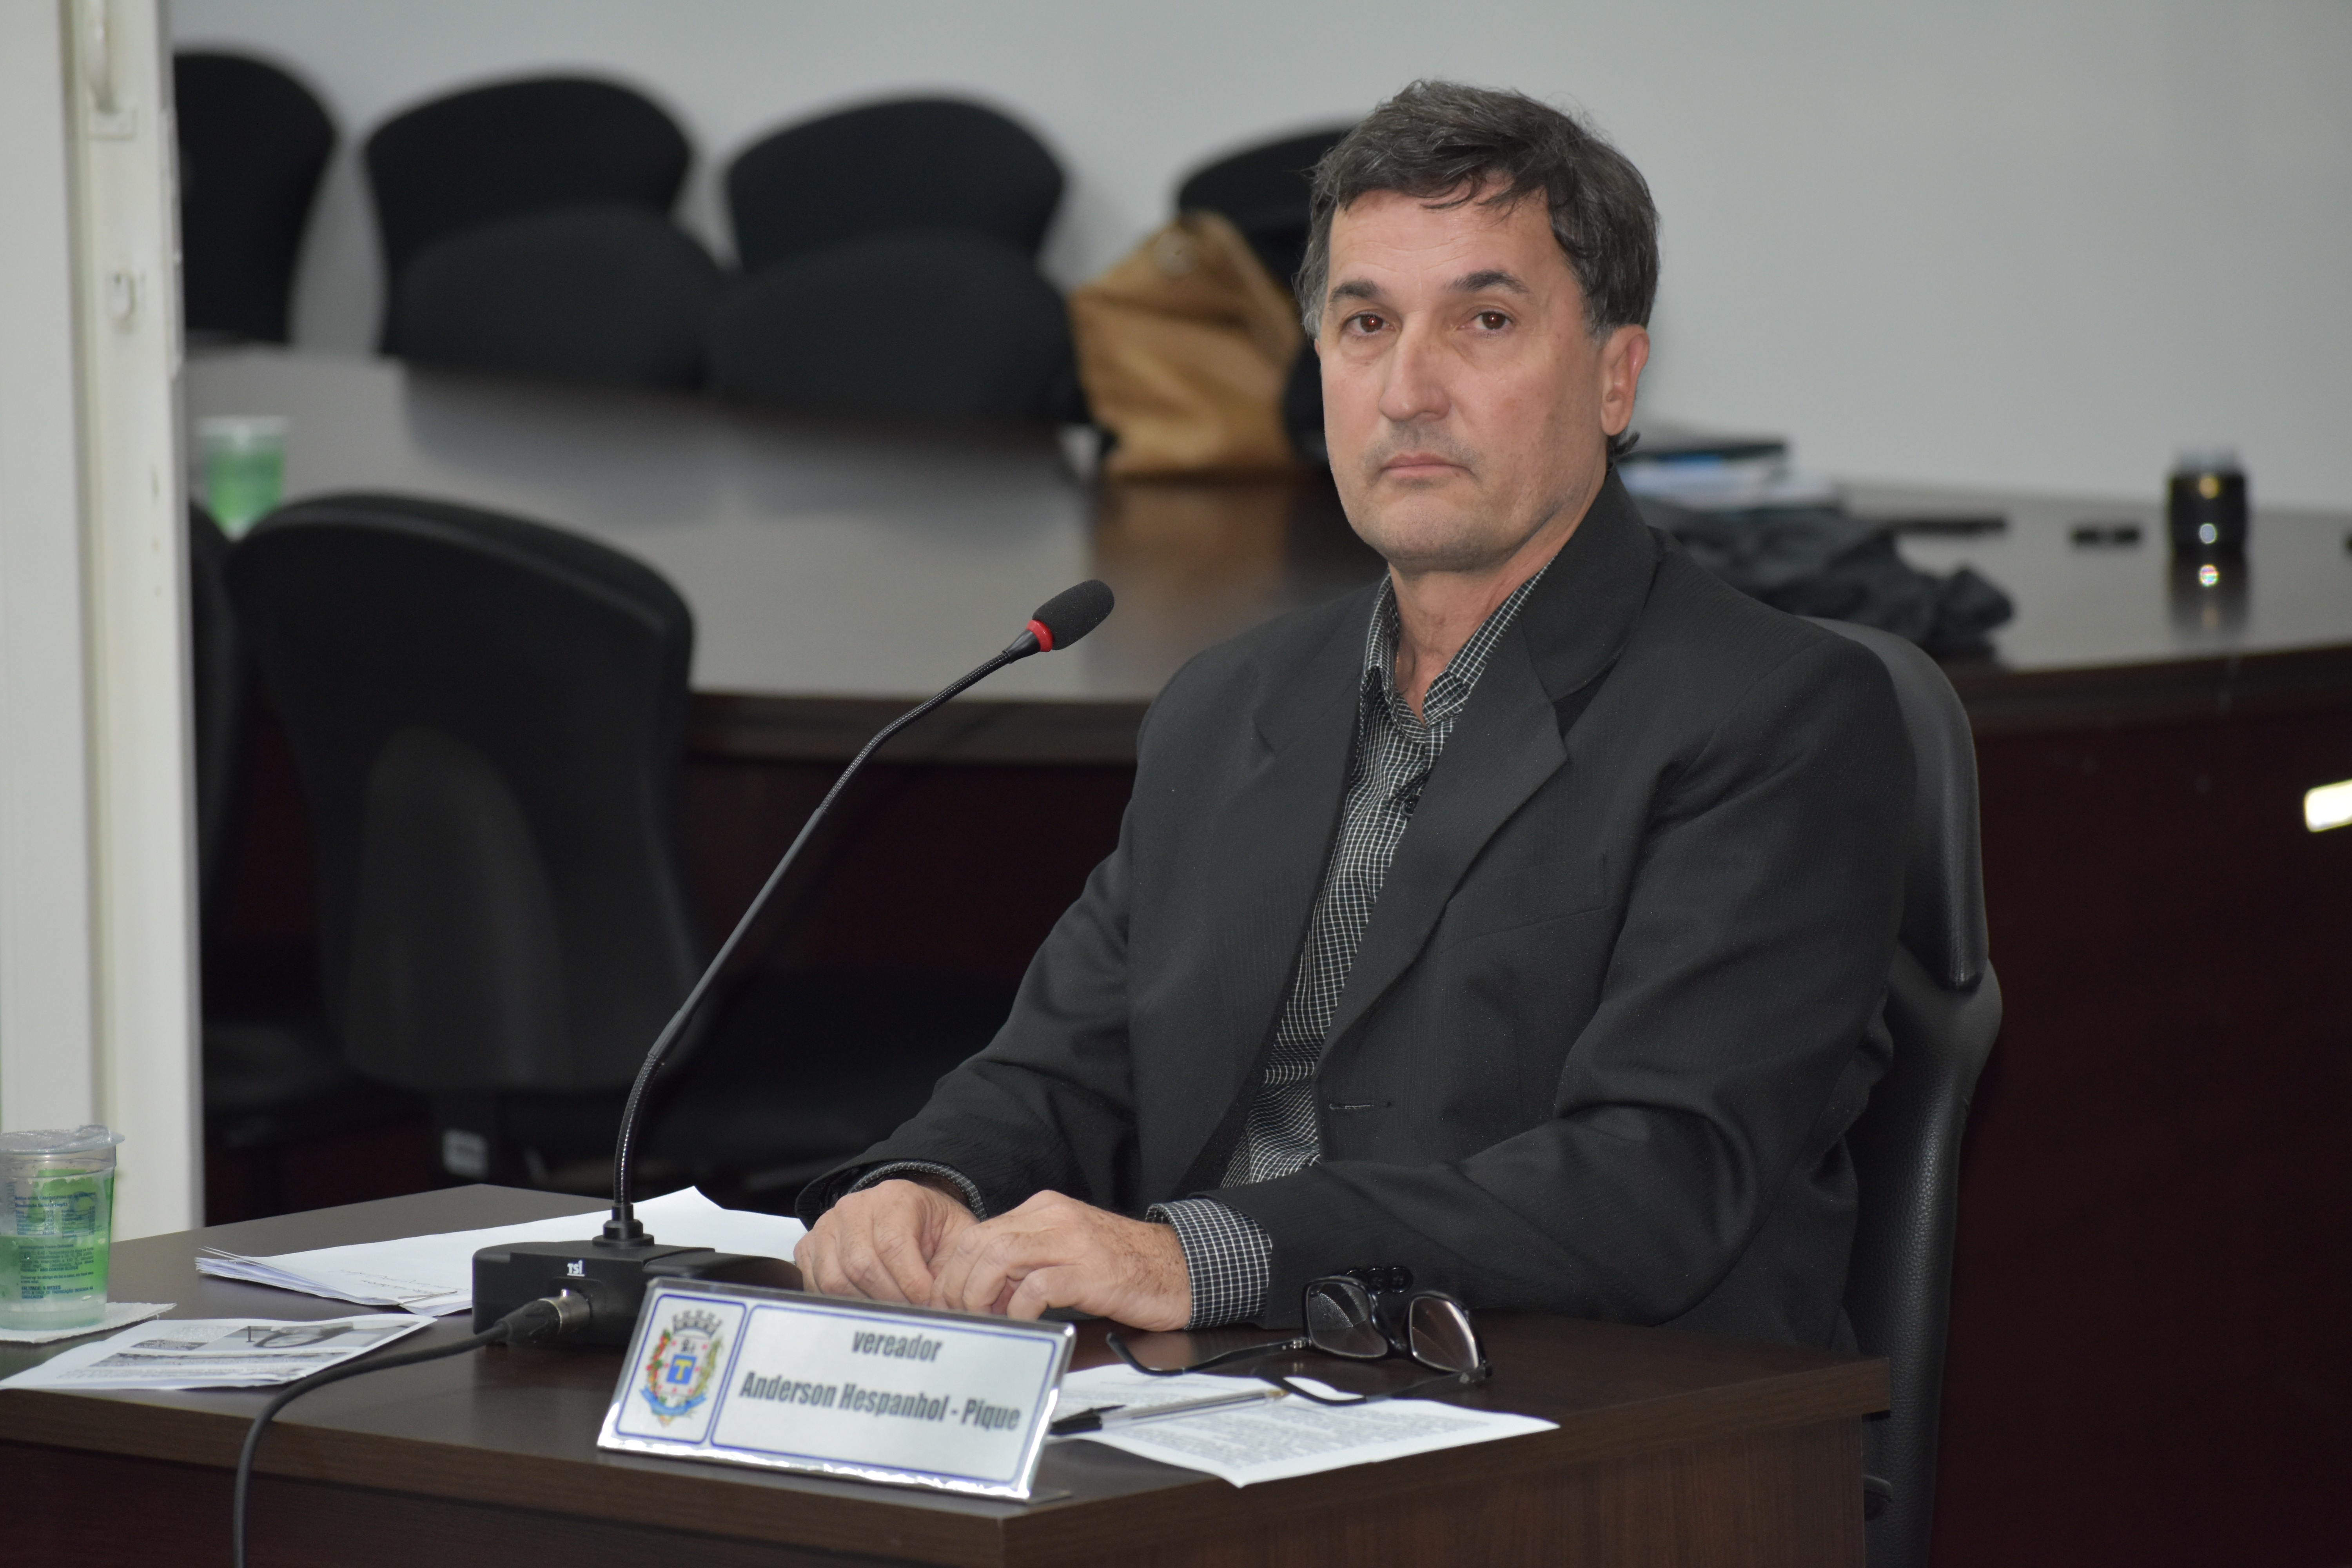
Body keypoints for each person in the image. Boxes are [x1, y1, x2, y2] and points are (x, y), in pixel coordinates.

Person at [793, 80, 1910, 1350]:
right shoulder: (1230, 701)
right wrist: (926, 1184)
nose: (1408, 390)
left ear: (1616, 377)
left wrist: (1202, 1257)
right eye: (1366, 323)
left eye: (1485, 321)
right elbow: (1065, 1068)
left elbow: (1653, 1183)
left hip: (1574, 1403)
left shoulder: (1775, 716)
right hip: (1216, 1384)